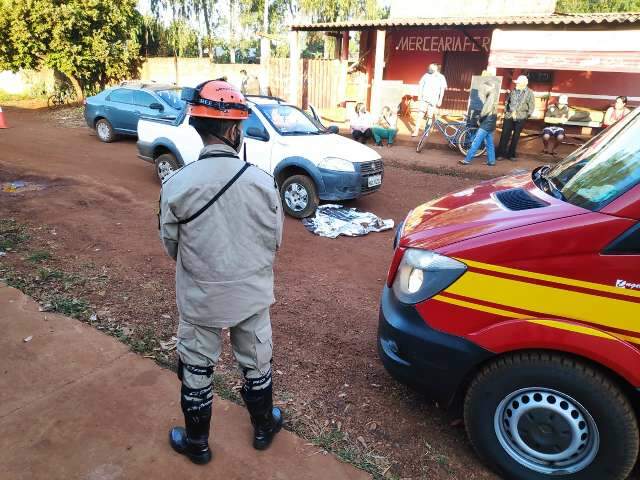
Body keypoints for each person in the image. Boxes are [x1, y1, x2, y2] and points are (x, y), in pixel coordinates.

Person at [159, 79, 284, 465]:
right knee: (256, 363)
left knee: (197, 368)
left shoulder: (176, 184)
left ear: (198, 127)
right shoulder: (263, 183)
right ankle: (264, 427)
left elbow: (171, 246)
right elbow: (274, 242)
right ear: (234, 130)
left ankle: (198, 444)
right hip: (251, 295)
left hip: (201, 298)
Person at [496, 75, 535, 161]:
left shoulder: (529, 93)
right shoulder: (513, 91)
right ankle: (500, 154)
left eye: (519, 83)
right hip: (509, 116)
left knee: (516, 137)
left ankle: (511, 155)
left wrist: (526, 116)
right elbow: (507, 101)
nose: (517, 84)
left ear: (524, 84)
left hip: (521, 117)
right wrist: (506, 111)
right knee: (505, 135)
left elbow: (531, 106)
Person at [460, 80, 497, 166]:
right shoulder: (493, 95)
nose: (483, 89)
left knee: (476, 141)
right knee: (489, 143)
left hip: (486, 123)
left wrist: (479, 119)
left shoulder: (491, 95)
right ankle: (491, 161)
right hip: (491, 123)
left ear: (489, 87)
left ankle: (467, 159)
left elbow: (486, 110)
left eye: (484, 87)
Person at [413, 63, 447, 137]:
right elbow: (421, 85)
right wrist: (419, 95)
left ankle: (426, 131)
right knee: (420, 115)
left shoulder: (441, 77)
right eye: (429, 67)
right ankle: (416, 131)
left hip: (433, 100)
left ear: (435, 68)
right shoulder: (426, 75)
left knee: (430, 116)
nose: (429, 68)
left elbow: (442, 89)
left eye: (431, 67)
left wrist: (440, 100)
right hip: (424, 99)